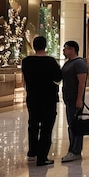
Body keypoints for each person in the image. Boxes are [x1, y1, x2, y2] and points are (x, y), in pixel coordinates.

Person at [21, 35, 62, 166]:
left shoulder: (26, 61)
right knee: (46, 126)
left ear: (34, 46)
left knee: (33, 124)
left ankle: (32, 152)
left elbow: (26, 78)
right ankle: (42, 156)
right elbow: (58, 77)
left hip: (32, 97)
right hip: (48, 98)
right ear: (45, 45)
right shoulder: (50, 61)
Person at [61, 40, 88, 162]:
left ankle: (76, 150)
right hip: (68, 97)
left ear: (72, 49)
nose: (64, 50)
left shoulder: (79, 63)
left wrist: (79, 99)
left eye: (66, 48)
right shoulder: (68, 63)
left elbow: (82, 83)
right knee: (71, 124)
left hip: (74, 98)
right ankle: (72, 148)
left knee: (75, 124)